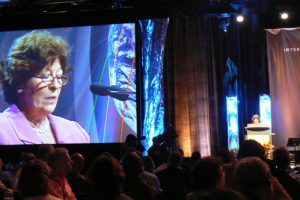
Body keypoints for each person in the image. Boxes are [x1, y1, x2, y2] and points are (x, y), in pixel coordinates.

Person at [0, 30, 90, 144]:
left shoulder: (76, 132)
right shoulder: (2, 130)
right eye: (46, 76)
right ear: (20, 81)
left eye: (58, 77)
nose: (55, 86)